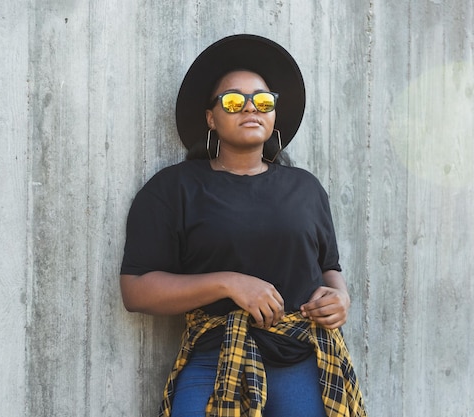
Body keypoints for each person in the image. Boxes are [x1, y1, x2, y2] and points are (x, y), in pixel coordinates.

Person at [120, 34, 366, 417]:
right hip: (215, 358)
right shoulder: (174, 188)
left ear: (273, 115)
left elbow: (328, 269)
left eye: (262, 101)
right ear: (210, 118)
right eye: (234, 101)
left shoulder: (305, 188)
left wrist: (340, 299)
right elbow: (136, 292)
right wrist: (228, 283)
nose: (250, 108)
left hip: (297, 357)